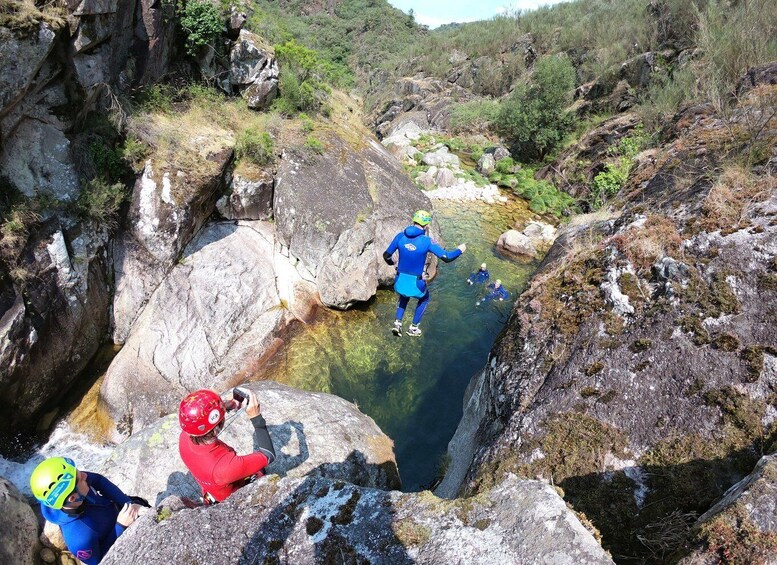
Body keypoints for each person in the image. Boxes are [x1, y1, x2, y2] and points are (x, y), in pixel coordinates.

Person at [30, 457, 143, 565]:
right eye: (81, 478)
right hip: (113, 534)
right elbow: (98, 561)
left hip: (117, 512)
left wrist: (128, 503)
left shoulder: (72, 484)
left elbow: (98, 480)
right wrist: (120, 526)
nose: (85, 475)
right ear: (72, 498)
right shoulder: (79, 539)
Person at [178, 388, 276, 504]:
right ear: (216, 430)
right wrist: (256, 418)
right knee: (261, 471)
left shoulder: (185, 436)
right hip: (230, 496)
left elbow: (199, 420)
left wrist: (229, 405)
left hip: (212, 490)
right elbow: (269, 455)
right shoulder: (225, 468)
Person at [383, 209, 466, 336]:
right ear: (426, 225)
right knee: (425, 299)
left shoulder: (400, 236)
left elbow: (386, 255)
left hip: (399, 281)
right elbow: (447, 257)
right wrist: (460, 250)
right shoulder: (426, 241)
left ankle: (397, 323)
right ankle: (413, 328)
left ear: (414, 221)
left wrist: (391, 263)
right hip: (416, 283)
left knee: (404, 295)